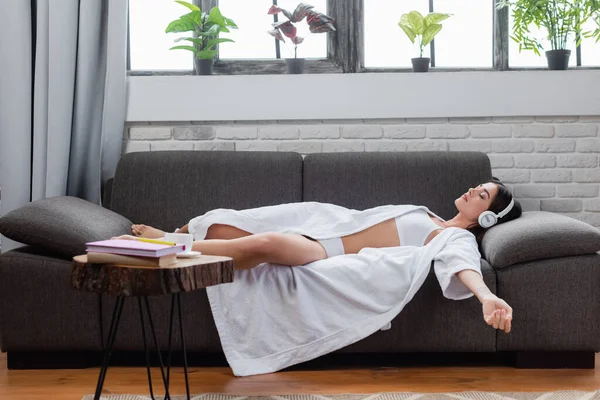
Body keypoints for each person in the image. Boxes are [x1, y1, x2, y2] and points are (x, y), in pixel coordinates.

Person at [116, 178, 522, 336]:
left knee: (264, 246)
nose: (471, 191)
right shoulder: (431, 214)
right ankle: (174, 235)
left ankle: (165, 247)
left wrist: (487, 298)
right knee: (223, 224)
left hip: (324, 249)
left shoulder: (450, 237)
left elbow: (463, 266)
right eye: (476, 186)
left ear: (485, 216)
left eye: (481, 195)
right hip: (325, 222)